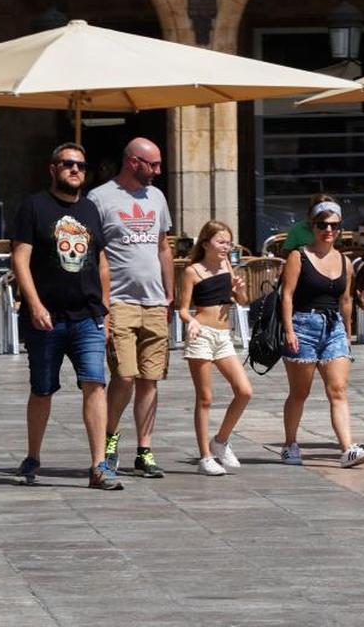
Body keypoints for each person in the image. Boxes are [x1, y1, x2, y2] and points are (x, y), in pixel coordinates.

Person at [10, 142, 120, 490]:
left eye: (81, 166)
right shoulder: (34, 207)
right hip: (47, 317)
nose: (76, 170)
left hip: (87, 315)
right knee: (42, 390)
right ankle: (33, 457)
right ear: (53, 168)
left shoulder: (90, 209)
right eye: (68, 164)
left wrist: (104, 309)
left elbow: (101, 262)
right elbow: (20, 260)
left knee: (95, 383)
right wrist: (34, 304)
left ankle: (99, 465)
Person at [87, 138, 173, 479]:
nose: (157, 171)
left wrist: (170, 294)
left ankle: (144, 449)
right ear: (133, 162)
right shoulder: (99, 198)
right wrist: (102, 302)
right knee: (124, 375)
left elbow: (163, 246)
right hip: (120, 302)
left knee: (150, 379)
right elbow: (94, 253)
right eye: (152, 165)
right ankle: (109, 439)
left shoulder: (157, 197)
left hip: (154, 302)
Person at [278, 197, 364, 469]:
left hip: (333, 329)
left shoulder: (344, 261)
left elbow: (345, 300)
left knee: (338, 389)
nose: (328, 230)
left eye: (334, 225)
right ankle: (290, 444)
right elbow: (287, 295)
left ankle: (348, 449)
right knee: (300, 392)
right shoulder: (299, 256)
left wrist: (348, 332)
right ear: (313, 226)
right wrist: (288, 330)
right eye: (322, 225)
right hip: (302, 325)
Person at [176, 221, 253, 476]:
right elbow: (183, 309)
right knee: (205, 398)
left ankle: (219, 441)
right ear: (206, 243)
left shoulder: (227, 266)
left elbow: (241, 302)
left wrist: (240, 291)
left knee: (244, 391)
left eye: (228, 242)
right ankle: (205, 457)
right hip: (202, 335)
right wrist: (192, 322)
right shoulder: (192, 271)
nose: (226, 247)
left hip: (223, 336)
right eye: (221, 242)